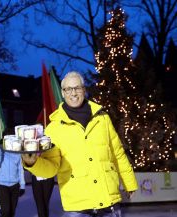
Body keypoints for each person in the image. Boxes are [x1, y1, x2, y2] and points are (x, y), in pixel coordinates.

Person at [22, 71, 138, 217]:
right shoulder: (53, 129)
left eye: (77, 88)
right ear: (63, 93)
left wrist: (129, 182)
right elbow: (52, 168)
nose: (73, 93)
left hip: (109, 202)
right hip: (77, 207)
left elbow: (117, 153)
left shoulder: (102, 119)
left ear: (84, 90)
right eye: (68, 89)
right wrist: (33, 163)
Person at [0, 132, 25, 217]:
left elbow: (20, 169)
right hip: (3, 185)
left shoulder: (17, 151)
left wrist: (22, 186)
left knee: (12, 211)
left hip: (15, 185)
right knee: (5, 211)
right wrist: (0, 149)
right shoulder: (0, 151)